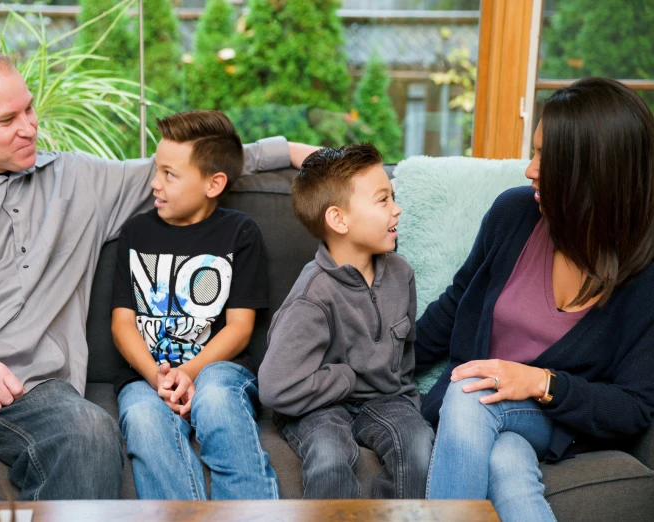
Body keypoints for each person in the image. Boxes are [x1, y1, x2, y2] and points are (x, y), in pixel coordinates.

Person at [0, 48, 307, 513]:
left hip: (30, 394)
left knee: (91, 432)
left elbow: (208, 165)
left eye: (30, 108)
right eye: (7, 120)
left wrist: (313, 156)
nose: (29, 127)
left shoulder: (77, 180)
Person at [416, 78, 654, 521]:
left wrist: (542, 383)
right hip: (493, 424)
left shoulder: (645, 275)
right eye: (535, 150)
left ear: (593, 172)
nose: (530, 169)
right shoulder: (514, 213)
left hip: (556, 420)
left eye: (547, 157)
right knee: (506, 461)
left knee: (469, 392)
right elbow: (454, 307)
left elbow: (633, 407)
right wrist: (367, 369)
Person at [111, 110, 278, 500]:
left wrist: (188, 372)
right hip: (145, 377)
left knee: (217, 400)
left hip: (219, 371)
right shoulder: (136, 232)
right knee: (143, 418)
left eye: (170, 174)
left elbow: (239, 327)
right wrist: (157, 377)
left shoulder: (240, 232)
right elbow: (122, 324)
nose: (155, 184)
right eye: (157, 170)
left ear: (214, 183)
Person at [259, 144, 434, 499]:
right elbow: (275, 387)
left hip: (386, 401)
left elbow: (404, 363)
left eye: (393, 197)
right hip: (318, 407)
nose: (397, 209)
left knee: (418, 447)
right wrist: (345, 377)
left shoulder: (401, 274)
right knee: (330, 455)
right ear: (339, 219)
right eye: (383, 200)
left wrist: (408, 408)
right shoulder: (313, 295)